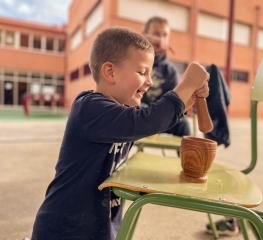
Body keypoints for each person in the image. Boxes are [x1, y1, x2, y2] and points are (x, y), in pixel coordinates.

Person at [30, 27, 209, 240]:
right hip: (64, 230)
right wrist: (186, 84)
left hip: (99, 227)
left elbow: (156, 119)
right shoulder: (89, 108)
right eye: (142, 72)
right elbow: (149, 120)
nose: (150, 81)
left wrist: (189, 96)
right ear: (110, 72)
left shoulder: (123, 112)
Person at [142, 16, 191, 137]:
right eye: (156, 34)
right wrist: (144, 41)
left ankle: (185, 156)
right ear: (145, 35)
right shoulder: (134, 60)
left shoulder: (171, 71)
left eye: (165, 35)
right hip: (137, 113)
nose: (161, 39)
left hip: (160, 117)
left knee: (184, 124)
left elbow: (176, 105)